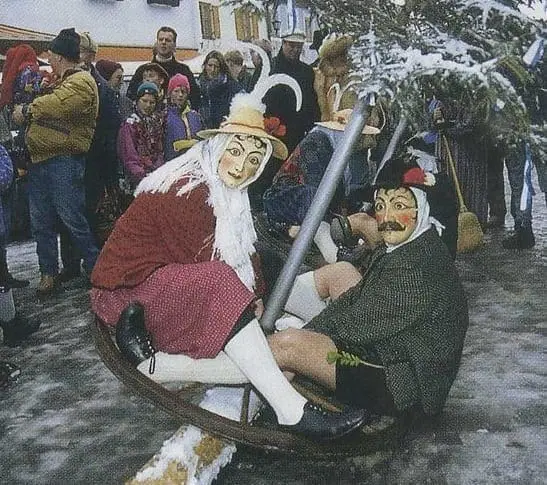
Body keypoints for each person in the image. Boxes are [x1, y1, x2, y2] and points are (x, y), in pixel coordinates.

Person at [90, 79, 368, 441]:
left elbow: (242, 252)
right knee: (220, 283)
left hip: (165, 284)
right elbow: (204, 266)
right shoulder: (187, 188)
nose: (241, 167)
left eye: (254, 160)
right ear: (218, 144)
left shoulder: (225, 190)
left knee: (256, 275)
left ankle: (165, 367)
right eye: (235, 152)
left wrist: (262, 298)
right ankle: (290, 410)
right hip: (131, 295)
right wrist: (253, 304)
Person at [132, 153, 468, 419]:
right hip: (396, 347)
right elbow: (366, 301)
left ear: (421, 210)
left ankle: (168, 368)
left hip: (400, 381)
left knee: (288, 345)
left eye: (399, 206)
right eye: (381, 206)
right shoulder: (415, 244)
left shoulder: (414, 268)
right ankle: (256, 305)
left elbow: (354, 325)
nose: (387, 217)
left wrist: (296, 339)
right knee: (339, 272)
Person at [12, 28, 100, 297]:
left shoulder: (82, 81)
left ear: (61, 57)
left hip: (64, 160)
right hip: (41, 160)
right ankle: (47, 272)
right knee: (41, 222)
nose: (49, 61)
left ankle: (98, 268)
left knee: (72, 218)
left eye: (52, 56)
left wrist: (27, 110)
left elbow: (59, 105)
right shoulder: (59, 81)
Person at [263, 108, 384, 263]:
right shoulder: (317, 142)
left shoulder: (356, 156)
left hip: (324, 208)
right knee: (315, 198)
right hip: (288, 200)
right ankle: (333, 254)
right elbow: (319, 185)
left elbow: (354, 193)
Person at [58, 32, 122, 283]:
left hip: (92, 161)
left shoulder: (101, 87)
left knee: (92, 214)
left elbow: (109, 129)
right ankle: (71, 264)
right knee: (68, 214)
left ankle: (93, 265)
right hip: (68, 158)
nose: (77, 55)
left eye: (81, 51)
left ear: (91, 55)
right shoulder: (64, 80)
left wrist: (106, 170)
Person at [264, 31, 321, 152]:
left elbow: (311, 103)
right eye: (292, 45)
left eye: (299, 47)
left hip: (298, 135)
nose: (295, 50)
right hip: (271, 133)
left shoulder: (307, 72)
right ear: (283, 44)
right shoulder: (268, 68)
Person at [126, 26, 200, 109]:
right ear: (156, 42)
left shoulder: (183, 70)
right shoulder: (143, 70)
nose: (163, 42)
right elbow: (130, 97)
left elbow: (195, 98)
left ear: (174, 45)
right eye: (160, 39)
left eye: (168, 40)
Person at [117, 82, 164, 190]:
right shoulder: (129, 125)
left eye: (152, 102)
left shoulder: (156, 123)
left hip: (155, 179)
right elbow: (129, 156)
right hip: (137, 181)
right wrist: (142, 176)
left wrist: (158, 173)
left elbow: (159, 152)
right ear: (137, 100)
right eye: (144, 101)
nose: (148, 105)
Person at [198, 51, 242, 129]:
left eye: (216, 66)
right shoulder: (200, 86)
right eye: (210, 65)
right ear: (205, 66)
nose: (212, 69)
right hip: (203, 130)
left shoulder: (232, 87)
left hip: (224, 130)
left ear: (221, 68)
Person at [164, 74, 202, 161]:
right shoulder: (163, 116)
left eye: (183, 91)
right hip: (172, 164)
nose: (180, 95)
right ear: (170, 93)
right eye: (176, 91)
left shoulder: (195, 116)